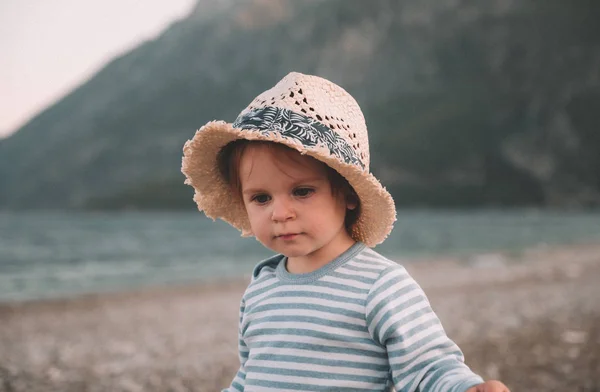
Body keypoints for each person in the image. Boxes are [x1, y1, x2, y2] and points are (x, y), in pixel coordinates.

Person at [182, 72, 510, 392]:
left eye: (302, 191)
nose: (280, 213)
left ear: (349, 194)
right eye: (261, 198)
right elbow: (251, 375)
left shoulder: (380, 285)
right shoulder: (260, 289)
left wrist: (465, 387)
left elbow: (426, 366)